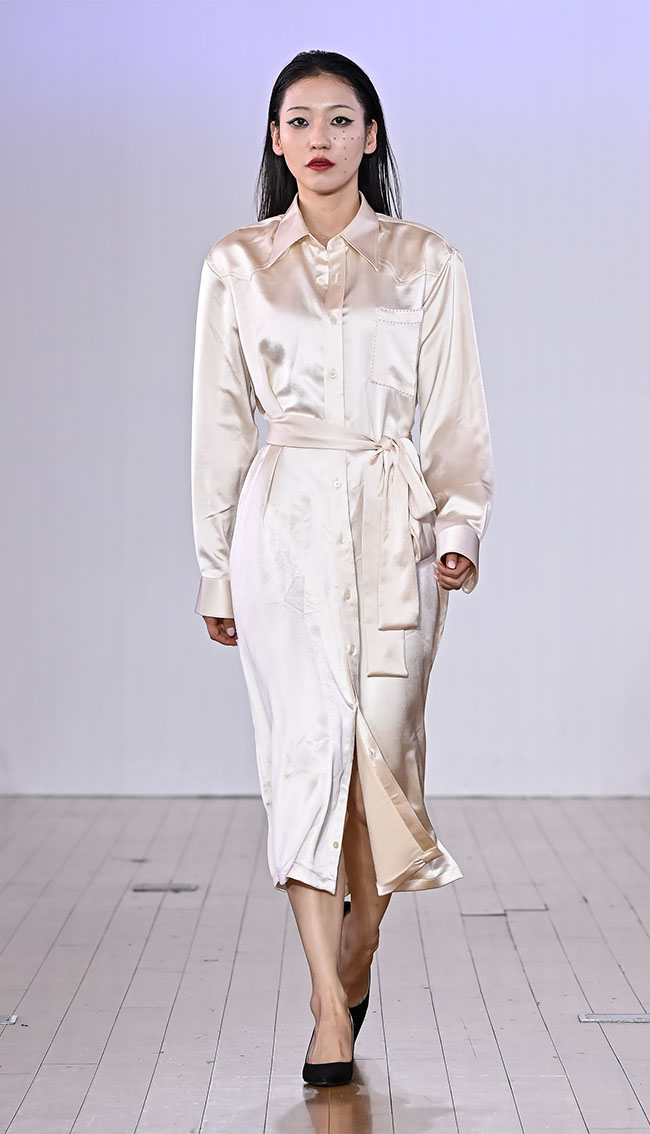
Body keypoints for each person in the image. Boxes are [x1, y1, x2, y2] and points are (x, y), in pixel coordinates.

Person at [190, 49, 494, 1088]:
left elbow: (455, 411)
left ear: (370, 136)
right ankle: (329, 1001)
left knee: (383, 757)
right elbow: (218, 428)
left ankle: (362, 942)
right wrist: (215, 569)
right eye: (298, 120)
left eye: (338, 119)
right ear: (275, 140)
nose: (318, 138)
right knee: (304, 753)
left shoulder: (424, 259)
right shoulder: (236, 264)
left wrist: (459, 528)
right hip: (280, 526)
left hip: (392, 526)